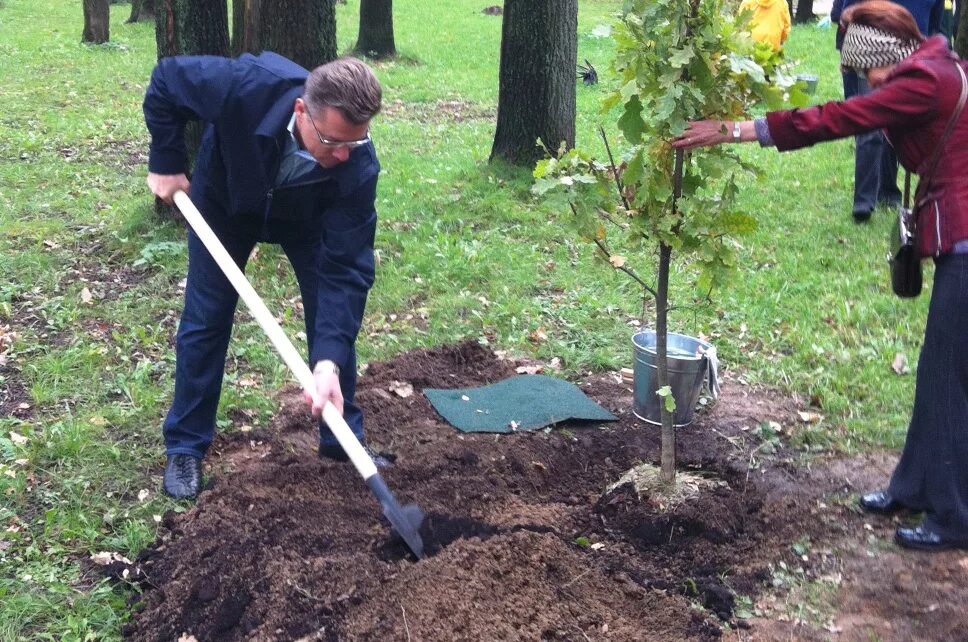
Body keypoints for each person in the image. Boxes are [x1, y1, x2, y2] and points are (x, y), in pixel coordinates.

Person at [672, 1, 968, 551]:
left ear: (883, 58)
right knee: (936, 372)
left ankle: (955, 516)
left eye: (864, 72)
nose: (863, 83)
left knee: (951, 381)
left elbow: (835, 119)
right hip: (957, 235)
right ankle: (914, 486)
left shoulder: (921, 81)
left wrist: (735, 130)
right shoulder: (935, 63)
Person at [143, 53, 385, 499]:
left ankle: (341, 441)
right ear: (301, 113)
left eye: (355, 142)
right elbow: (166, 81)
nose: (343, 155)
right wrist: (166, 160)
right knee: (206, 317)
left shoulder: (357, 165)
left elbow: (346, 270)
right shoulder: (246, 86)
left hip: (307, 220)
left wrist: (327, 362)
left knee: (331, 323)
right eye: (332, 142)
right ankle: (185, 446)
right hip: (226, 204)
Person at [831, 0, 943, 223]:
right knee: (868, 123)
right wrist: (847, 50)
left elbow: (934, 26)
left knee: (896, 121)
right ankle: (863, 203)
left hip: (911, 55)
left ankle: (888, 192)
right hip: (869, 52)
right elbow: (841, 13)